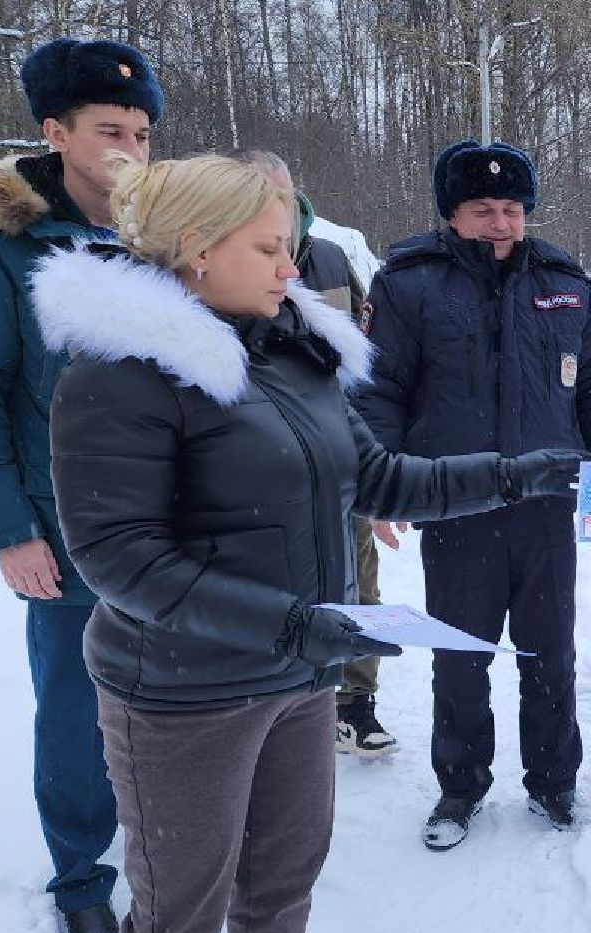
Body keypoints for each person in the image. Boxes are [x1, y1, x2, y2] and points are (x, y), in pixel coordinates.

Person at [40, 154, 584, 933]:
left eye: (289, 246)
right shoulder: (120, 375)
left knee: (279, 893)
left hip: (296, 681)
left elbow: (377, 477)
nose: (292, 267)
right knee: (178, 923)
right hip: (183, 696)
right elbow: (119, 558)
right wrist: (294, 623)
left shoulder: (294, 347)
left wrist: (514, 472)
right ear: (195, 252)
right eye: (269, 247)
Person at [0, 37, 161, 933]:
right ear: (55, 133)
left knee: (174, 704)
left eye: (141, 132)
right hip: (66, 533)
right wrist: (7, 531)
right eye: (110, 130)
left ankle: (169, 847)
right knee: (76, 711)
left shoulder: (167, 237)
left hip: (171, 530)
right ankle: (83, 878)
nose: (130, 149)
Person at [353, 140, 591, 848]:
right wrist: (378, 484)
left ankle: (552, 780)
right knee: (460, 655)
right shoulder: (407, 284)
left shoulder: (567, 283)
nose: (500, 223)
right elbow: (382, 389)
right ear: (451, 214)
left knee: (550, 653)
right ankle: (459, 787)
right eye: (483, 209)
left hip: (548, 504)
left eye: (512, 208)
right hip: (455, 504)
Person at [224, 148, 393, 756]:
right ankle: (279, 709)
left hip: (339, 450)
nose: (283, 208)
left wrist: (375, 462)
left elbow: (365, 360)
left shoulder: (327, 257)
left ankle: (354, 702)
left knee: (358, 583)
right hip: (264, 469)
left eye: (288, 194)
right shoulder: (207, 269)